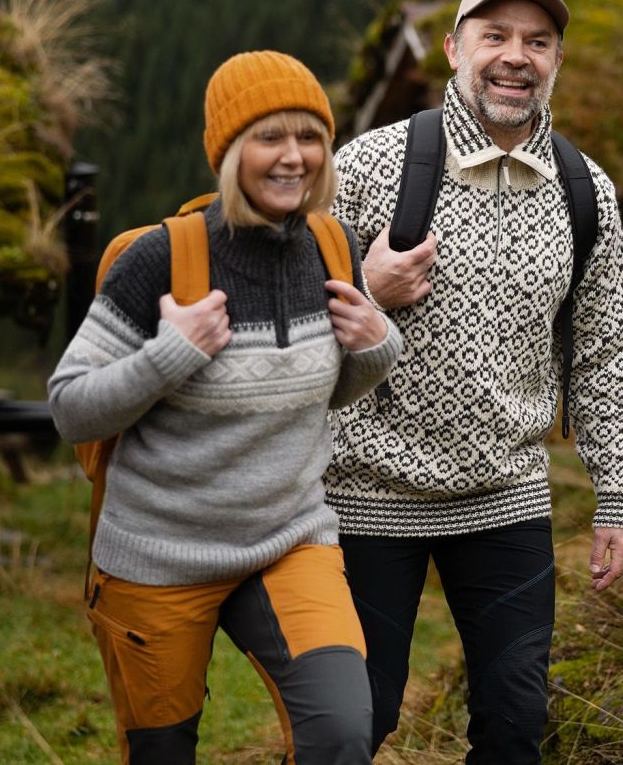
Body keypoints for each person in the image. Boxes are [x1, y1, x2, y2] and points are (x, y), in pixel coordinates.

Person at [325, 0, 623, 762]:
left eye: (537, 42)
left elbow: (608, 350)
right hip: (366, 495)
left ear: (557, 62)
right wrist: (371, 288)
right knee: (353, 724)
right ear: (452, 49)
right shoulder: (368, 166)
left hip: (506, 498)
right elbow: (286, 314)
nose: (516, 57)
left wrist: (620, 495)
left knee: (512, 728)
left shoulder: (585, 190)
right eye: (495, 36)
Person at [48, 50, 401, 765]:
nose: (293, 157)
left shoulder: (334, 248)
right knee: (162, 753)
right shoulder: (157, 260)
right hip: (157, 557)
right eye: (270, 137)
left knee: (342, 733)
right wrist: (167, 356)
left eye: (310, 137)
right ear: (230, 150)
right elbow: (70, 409)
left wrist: (376, 347)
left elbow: (321, 394)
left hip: (289, 540)